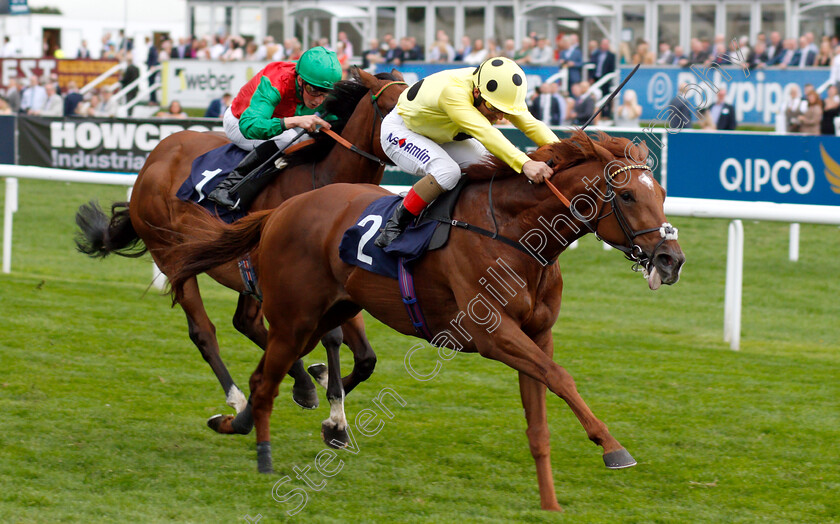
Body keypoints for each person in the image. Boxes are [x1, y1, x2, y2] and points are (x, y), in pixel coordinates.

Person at [373, 57, 557, 247]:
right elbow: (486, 133)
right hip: (402, 130)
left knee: (487, 166)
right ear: (476, 92)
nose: (501, 117)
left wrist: (564, 148)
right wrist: (525, 163)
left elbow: (532, 125)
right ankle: (393, 227)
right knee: (447, 172)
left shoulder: (496, 92)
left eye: (506, 111)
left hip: (438, 133)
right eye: (495, 109)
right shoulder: (454, 93)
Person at [207, 46, 343, 210]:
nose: (319, 101)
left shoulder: (317, 80)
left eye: (325, 93)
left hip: (276, 121)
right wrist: (294, 121)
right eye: (313, 91)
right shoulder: (276, 82)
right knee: (288, 139)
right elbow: (249, 126)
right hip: (239, 122)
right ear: (300, 81)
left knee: (314, 137)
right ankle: (227, 187)